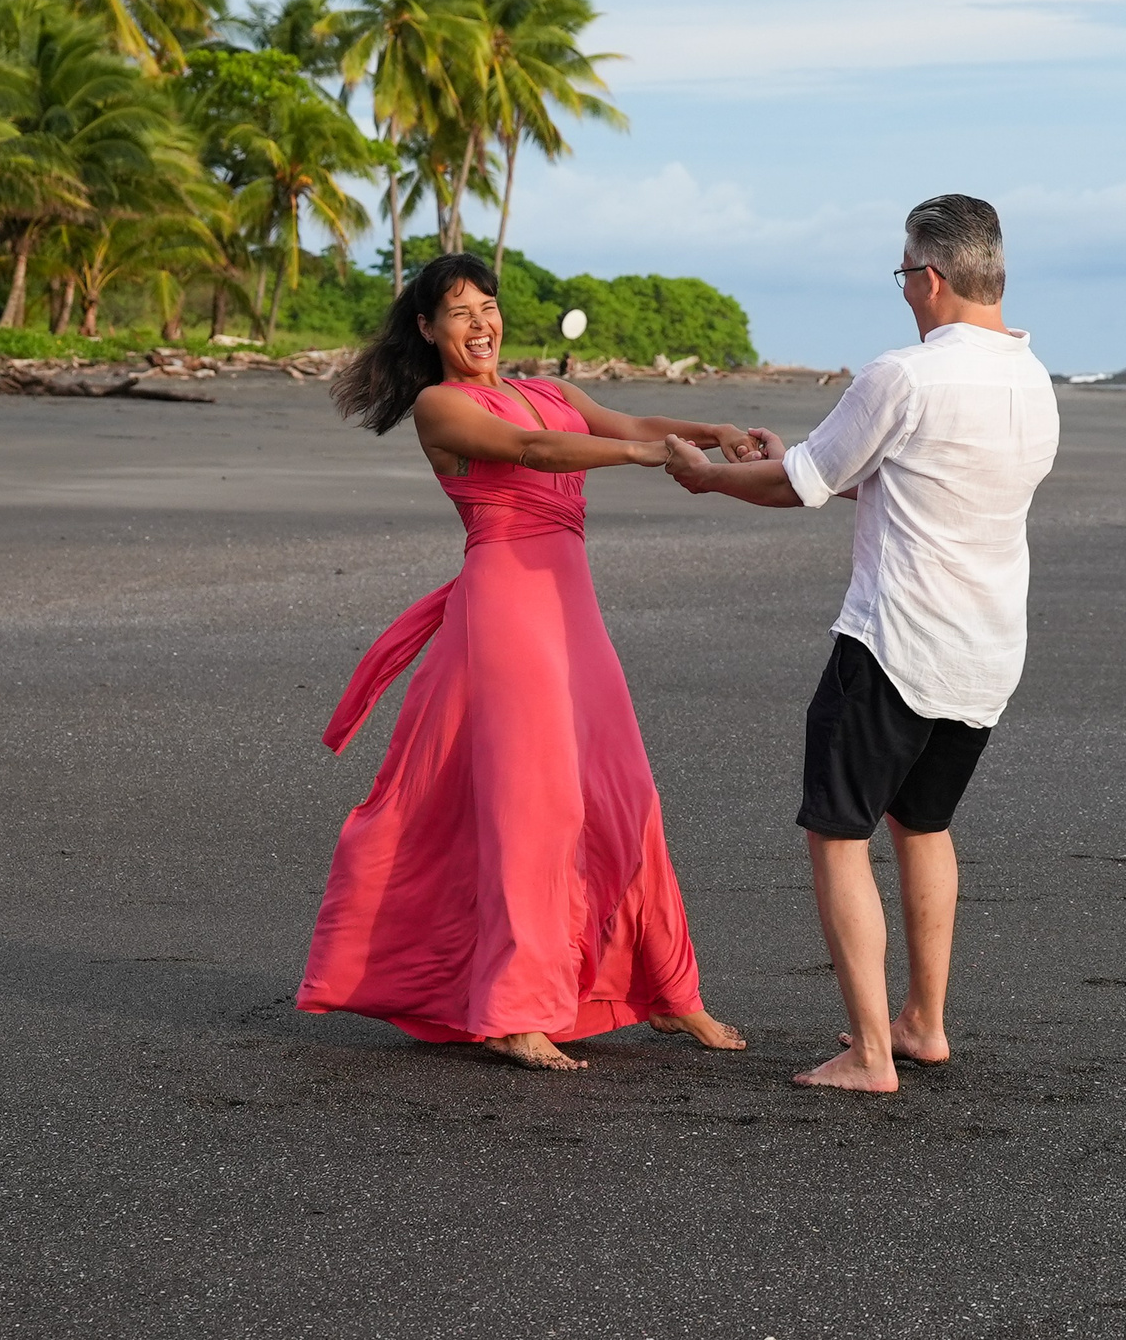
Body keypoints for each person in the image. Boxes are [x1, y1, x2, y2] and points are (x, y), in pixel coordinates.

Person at [297, 253, 750, 1073]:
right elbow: (536, 452)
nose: (480, 324)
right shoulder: (442, 407)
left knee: (626, 791)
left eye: (489, 307)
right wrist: (649, 462)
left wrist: (710, 433)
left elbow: (614, 422)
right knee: (530, 807)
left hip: (572, 614)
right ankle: (513, 1010)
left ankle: (670, 994)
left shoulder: (549, 387)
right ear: (429, 329)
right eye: (459, 312)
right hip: (505, 614)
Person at [661, 196, 1057, 1092]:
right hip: (988, 648)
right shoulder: (1032, 380)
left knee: (838, 835)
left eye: (903, 278)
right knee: (923, 825)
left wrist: (713, 479)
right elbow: (896, 478)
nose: (905, 296)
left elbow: (800, 488)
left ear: (930, 276)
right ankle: (924, 1023)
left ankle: (871, 1052)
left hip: (894, 643)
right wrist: (791, 455)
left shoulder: (904, 373)